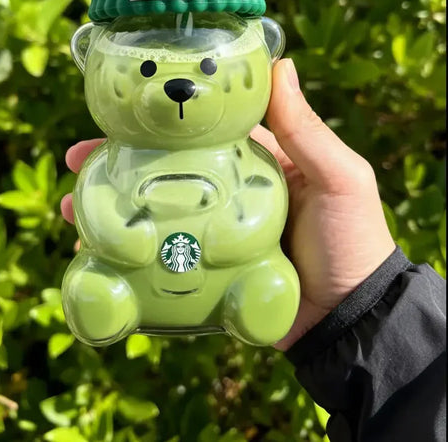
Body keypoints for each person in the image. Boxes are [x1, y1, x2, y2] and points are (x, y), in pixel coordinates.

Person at [61, 58, 446, 442]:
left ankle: (254, 298)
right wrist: (123, 239)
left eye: (209, 67)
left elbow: (263, 211)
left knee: (263, 278)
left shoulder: (253, 166)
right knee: (99, 276)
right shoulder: (107, 168)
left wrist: (231, 238)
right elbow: (97, 211)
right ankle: (109, 298)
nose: (181, 85)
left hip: (237, 274)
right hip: (131, 276)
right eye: (147, 69)